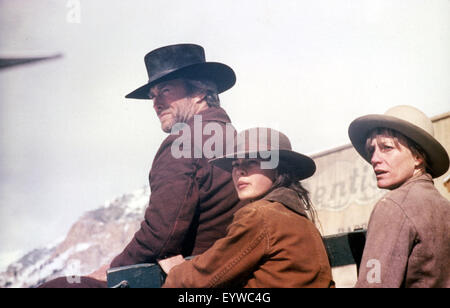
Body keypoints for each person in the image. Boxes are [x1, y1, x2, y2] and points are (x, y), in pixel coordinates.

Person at [39, 44, 244, 287]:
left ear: (199, 92)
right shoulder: (233, 138)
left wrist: (111, 270)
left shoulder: (182, 144)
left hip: (192, 277)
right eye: (152, 95)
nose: (155, 103)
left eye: (165, 91)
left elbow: (161, 235)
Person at [159, 128, 335, 288]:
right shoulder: (296, 217)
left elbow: (207, 275)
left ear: (278, 168)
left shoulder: (260, 215)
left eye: (251, 162)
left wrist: (177, 271)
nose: (239, 171)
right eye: (235, 164)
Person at [348, 105, 450, 288]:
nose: (374, 159)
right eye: (372, 150)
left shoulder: (392, 206)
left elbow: (373, 285)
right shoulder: (444, 207)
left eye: (386, 147)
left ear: (418, 156)